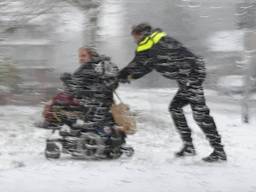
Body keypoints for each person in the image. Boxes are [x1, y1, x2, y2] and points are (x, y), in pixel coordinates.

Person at [118, 23, 227, 162]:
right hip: (189, 75)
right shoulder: (154, 41)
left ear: (141, 33)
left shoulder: (151, 43)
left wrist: (120, 75)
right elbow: (147, 66)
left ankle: (218, 151)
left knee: (200, 113)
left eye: (135, 36)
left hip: (190, 76)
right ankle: (190, 146)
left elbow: (139, 64)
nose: (134, 40)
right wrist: (130, 76)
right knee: (176, 108)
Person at [60, 47, 120, 136]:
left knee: (62, 113)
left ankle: (70, 139)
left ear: (91, 56)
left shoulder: (87, 68)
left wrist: (66, 79)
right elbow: (112, 85)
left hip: (89, 106)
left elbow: (73, 89)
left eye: (83, 56)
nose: (81, 58)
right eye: (80, 56)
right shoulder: (103, 66)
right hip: (105, 106)